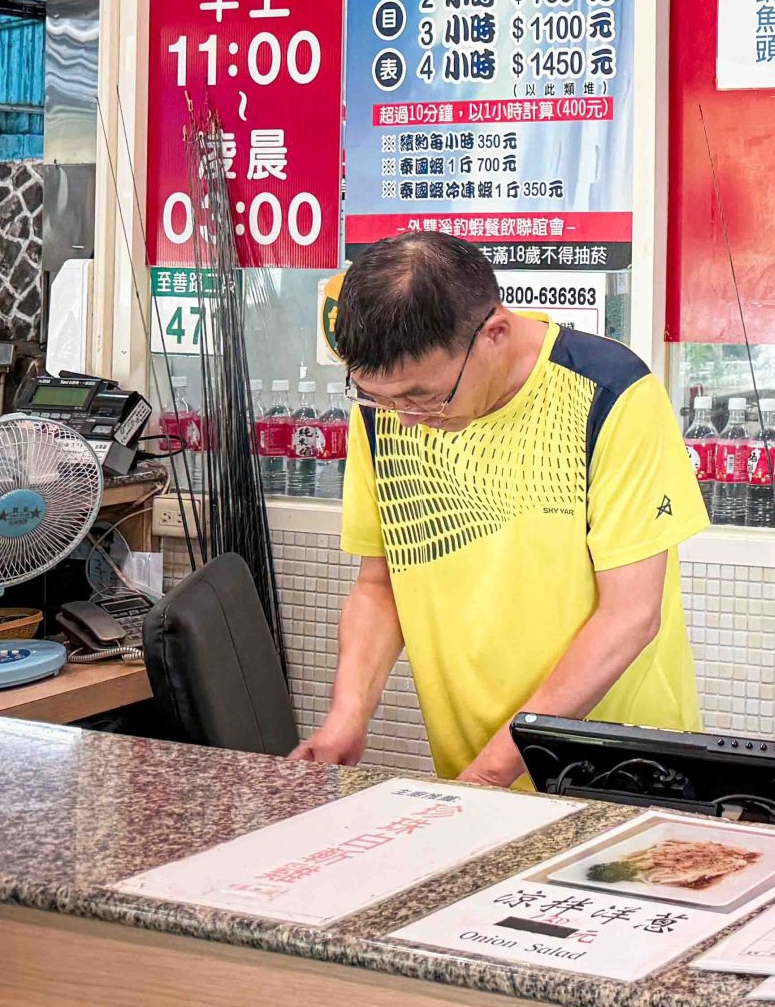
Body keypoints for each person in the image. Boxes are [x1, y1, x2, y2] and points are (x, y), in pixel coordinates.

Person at [288, 230, 707, 787]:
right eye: (377, 395)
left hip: (619, 766)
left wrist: (492, 772)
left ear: (495, 334)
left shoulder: (610, 392)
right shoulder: (383, 410)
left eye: (423, 395)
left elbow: (630, 616)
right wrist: (347, 717)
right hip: (475, 761)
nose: (405, 417)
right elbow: (381, 584)